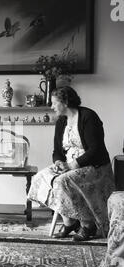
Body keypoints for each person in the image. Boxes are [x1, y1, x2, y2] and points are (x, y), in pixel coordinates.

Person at [27, 86, 115, 241]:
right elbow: (56, 150)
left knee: (63, 181)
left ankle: (88, 225)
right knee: (41, 177)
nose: (52, 107)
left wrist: (72, 165)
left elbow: (96, 149)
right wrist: (58, 162)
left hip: (94, 166)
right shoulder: (61, 121)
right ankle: (69, 222)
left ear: (65, 102)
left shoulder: (88, 116)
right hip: (68, 164)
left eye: (54, 103)